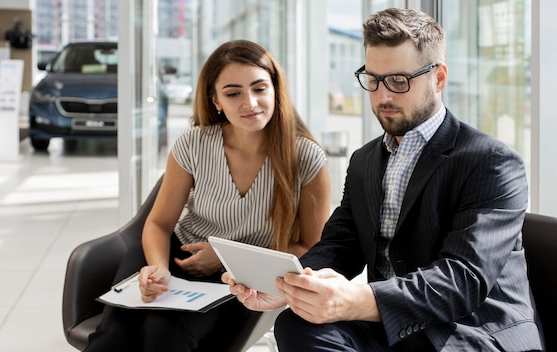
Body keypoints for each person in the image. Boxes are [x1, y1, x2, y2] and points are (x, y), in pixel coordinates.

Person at [223, 8, 544, 352]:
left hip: (473, 330)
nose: (383, 96)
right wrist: (285, 287)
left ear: (438, 78)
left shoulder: (491, 161)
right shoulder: (365, 161)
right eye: (373, 80)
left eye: (398, 81)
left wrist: (357, 300)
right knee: (296, 325)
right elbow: (340, 246)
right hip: (397, 329)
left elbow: (461, 280)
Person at [83, 39, 331, 351]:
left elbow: (311, 246)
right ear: (215, 100)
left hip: (240, 277)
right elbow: (159, 224)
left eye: (259, 88)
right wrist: (158, 267)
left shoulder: (306, 158)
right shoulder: (193, 144)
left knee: (165, 333)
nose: (250, 102)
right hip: (174, 253)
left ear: (275, 90)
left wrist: (227, 258)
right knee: (113, 335)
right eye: (233, 93)